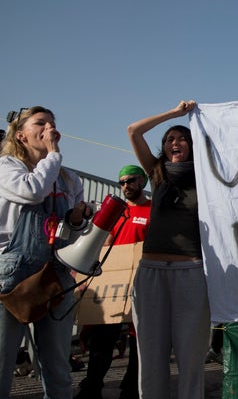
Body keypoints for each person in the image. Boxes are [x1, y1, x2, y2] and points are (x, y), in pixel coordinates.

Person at [0, 106, 92, 399]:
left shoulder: (69, 180)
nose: (49, 128)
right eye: (40, 123)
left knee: (57, 366)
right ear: (21, 134)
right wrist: (52, 155)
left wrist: (77, 220)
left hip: (56, 272)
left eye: (52, 123)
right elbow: (32, 191)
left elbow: (74, 235)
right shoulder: (7, 167)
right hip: (13, 273)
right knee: (2, 361)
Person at [127, 101, 210, 399]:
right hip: (150, 274)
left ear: (192, 145)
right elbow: (134, 131)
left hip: (191, 273)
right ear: (164, 148)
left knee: (190, 358)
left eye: (182, 138)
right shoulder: (155, 172)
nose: (176, 142)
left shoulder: (206, 176)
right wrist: (173, 115)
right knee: (150, 358)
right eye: (170, 139)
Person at [75, 165, 151, 399]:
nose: (126, 186)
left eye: (131, 180)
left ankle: (130, 390)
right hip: (115, 280)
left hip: (141, 280)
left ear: (142, 182)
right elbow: (103, 241)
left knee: (139, 340)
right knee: (102, 337)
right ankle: (92, 387)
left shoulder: (153, 211)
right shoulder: (116, 211)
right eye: (122, 182)